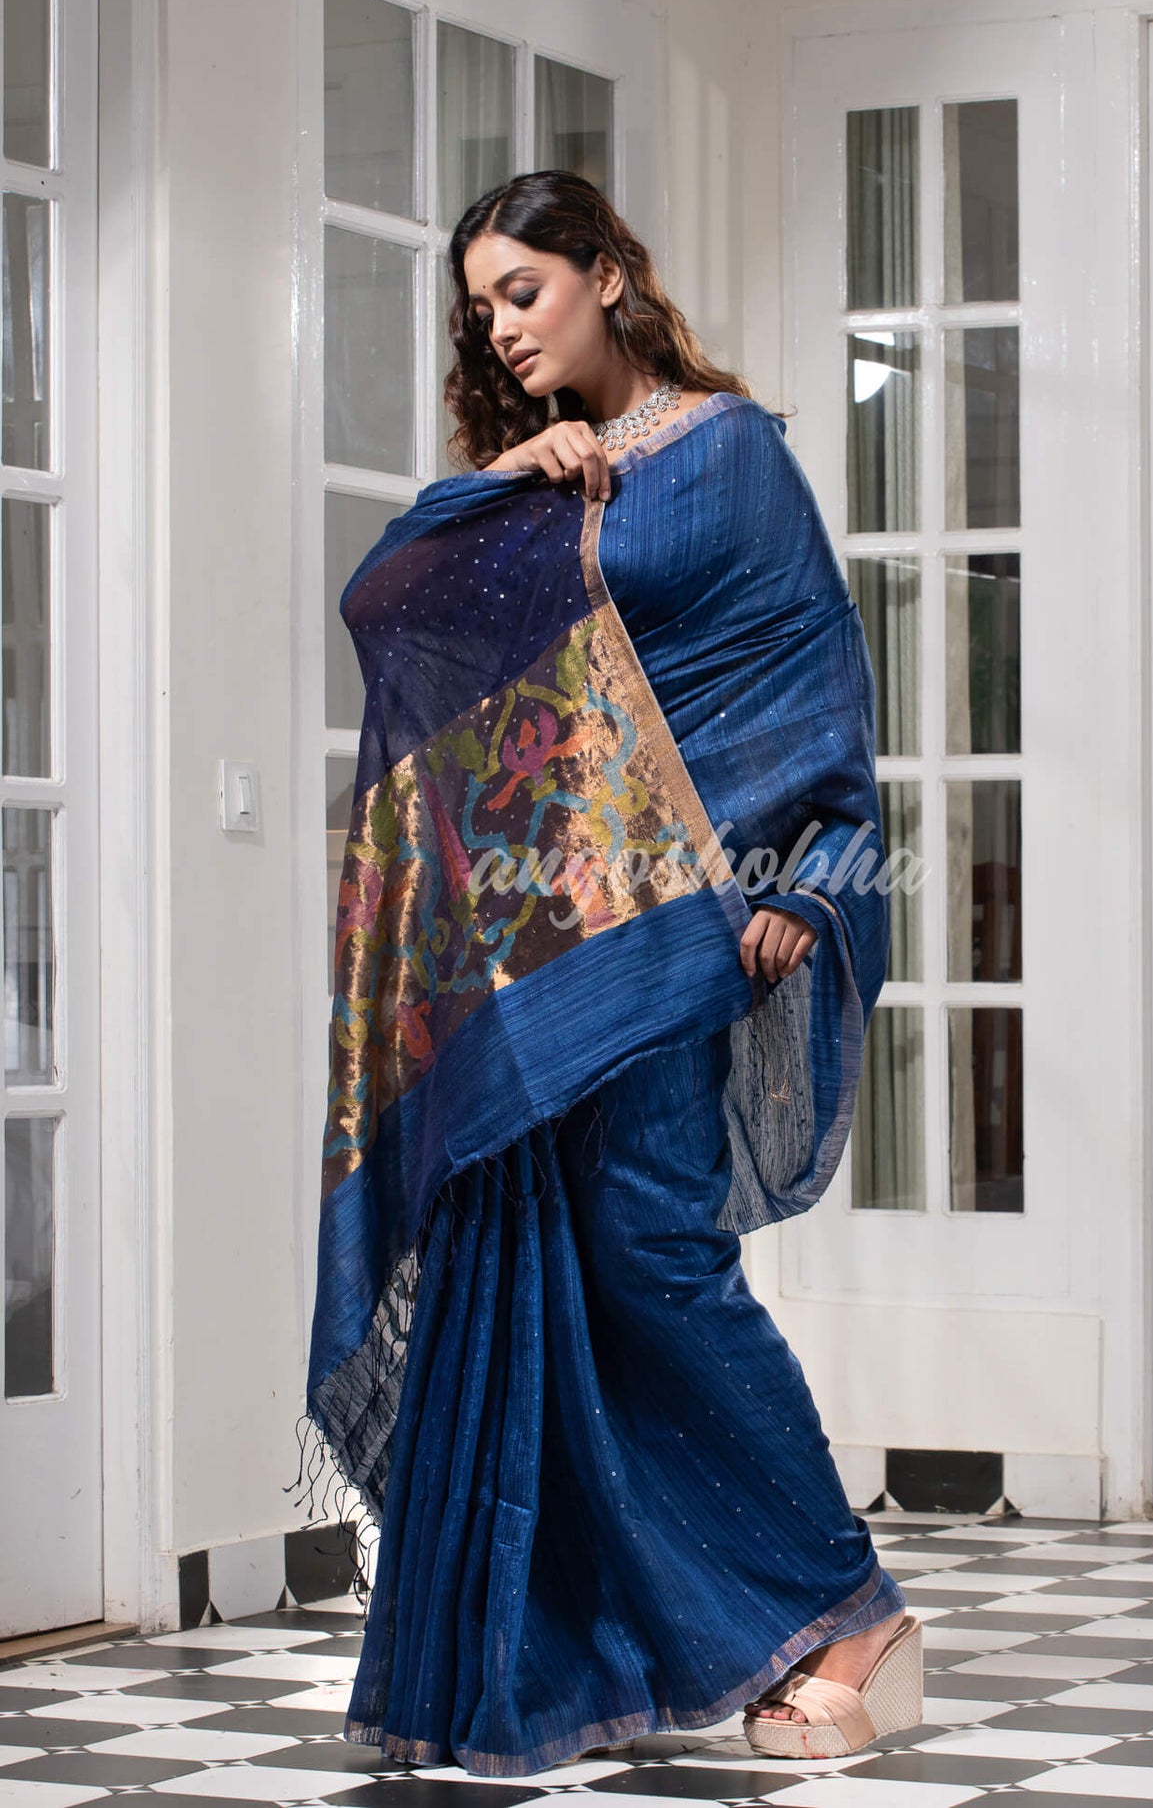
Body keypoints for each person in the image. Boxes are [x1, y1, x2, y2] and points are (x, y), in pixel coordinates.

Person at [302, 169, 921, 1779]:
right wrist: (509, 474)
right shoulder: (533, 487)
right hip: (543, 948)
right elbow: (381, 605)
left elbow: (812, 667)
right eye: (484, 309)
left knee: (651, 1249)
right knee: (544, 1266)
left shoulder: (727, 452)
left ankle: (856, 1613)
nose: (505, 328)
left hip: (678, 928)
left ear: (608, 275)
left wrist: (815, 876)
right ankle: (567, 1642)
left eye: (526, 290)